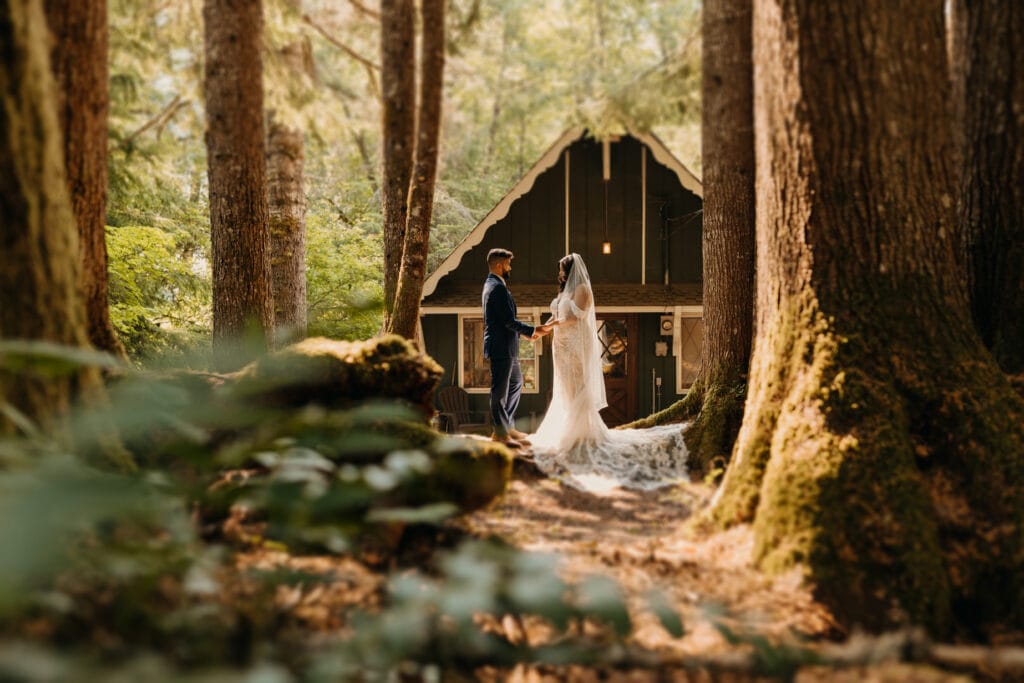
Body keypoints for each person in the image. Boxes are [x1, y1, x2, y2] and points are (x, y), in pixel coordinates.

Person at [530, 253, 689, 491]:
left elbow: (576, 316)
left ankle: (581, 434)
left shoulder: (582, 288)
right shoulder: (562, 292)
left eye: (563, 268)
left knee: (577, 385)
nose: (561, 273)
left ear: (571, 268)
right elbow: (557, 315)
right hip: (560, 345)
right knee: (565, 385)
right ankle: (569, 430)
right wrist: (541, 330)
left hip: (575, 343)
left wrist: (551, 325)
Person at [482, 248, 552, 448]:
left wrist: (526, 333)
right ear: (498, 265)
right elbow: (507, 320)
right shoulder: (496, 288)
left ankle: (507, 426)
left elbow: (505, 321)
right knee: (499, 392)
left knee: (516, 383)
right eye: (507, 264)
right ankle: (501, 432)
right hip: (500, 347)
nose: (509, 267)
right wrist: (532, 330)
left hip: (508, 346)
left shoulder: (494, 285)